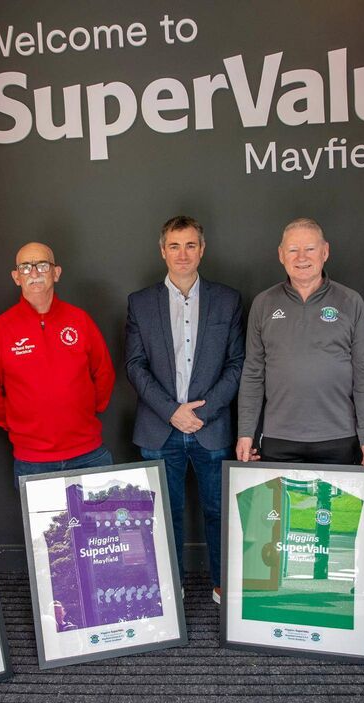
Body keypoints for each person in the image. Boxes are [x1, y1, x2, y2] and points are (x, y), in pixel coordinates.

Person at [125, 216, 244, 603]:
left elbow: (238, 365)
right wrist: (172, 411)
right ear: (162, 251)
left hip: (211, 427)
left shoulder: (228, 299)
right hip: (160, 428)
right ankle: (168, 586)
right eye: (174, 246)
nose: (182, 254)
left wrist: (201, 414)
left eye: (190, 245)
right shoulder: (140, 303)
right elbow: (135, 366)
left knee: (219, 512)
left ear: (202, 249)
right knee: (163, 515)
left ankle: (222, 584)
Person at [236, 218, 364, 466]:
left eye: (310, 249)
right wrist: (246, 432)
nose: (301, 257)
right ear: (281, 255)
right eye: (293, 250)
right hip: (278, 438)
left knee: (335, 506)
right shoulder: (263, 303)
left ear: (325, 251)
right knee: (281, 506)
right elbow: (252, 374)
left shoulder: (350, 301)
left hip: (339, 437)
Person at [0, 242, 115, 486]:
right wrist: (16, 421)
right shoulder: (1, 328)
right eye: (26, 267)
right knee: (51, 526)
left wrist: (85, 410)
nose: (34, 273)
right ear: (16, 277)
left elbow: (104, 372)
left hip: (89, 454)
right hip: (33, 461)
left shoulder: (79, 320)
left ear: (56, 272)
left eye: (42, 265)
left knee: (99, 524)